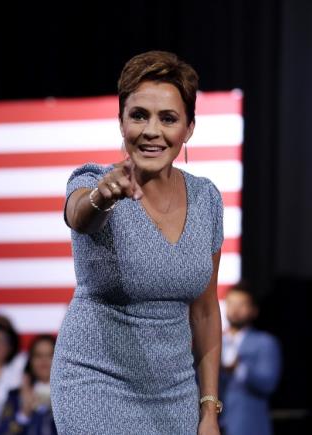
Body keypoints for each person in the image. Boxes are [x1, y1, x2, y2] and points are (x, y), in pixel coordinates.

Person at [50, 50, 224, 435]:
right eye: (139, 115)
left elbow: (206, 313)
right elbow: (80, 215)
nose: (151, 131)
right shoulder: (92, 179)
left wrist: (209, 408)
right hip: (94, 382)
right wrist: (103, 196)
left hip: (174, 394)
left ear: (189, 128)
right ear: (121, 121)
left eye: (168, 119)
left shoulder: (207, 198)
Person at [219, 283, 282, 435]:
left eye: (241, 305)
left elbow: (268, 383)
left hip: (248, 426)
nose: (235, 310)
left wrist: (239, 369)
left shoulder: (265, 343)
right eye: (231, 303)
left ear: (254, 310)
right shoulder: (214, 343)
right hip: (216, 424)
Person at [0, 335, 57, 435]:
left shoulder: (71, 395)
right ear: (30, 360)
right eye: (38, 355)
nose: (44, 360)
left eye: (50, 355)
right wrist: (24, 413)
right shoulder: (15, 396)